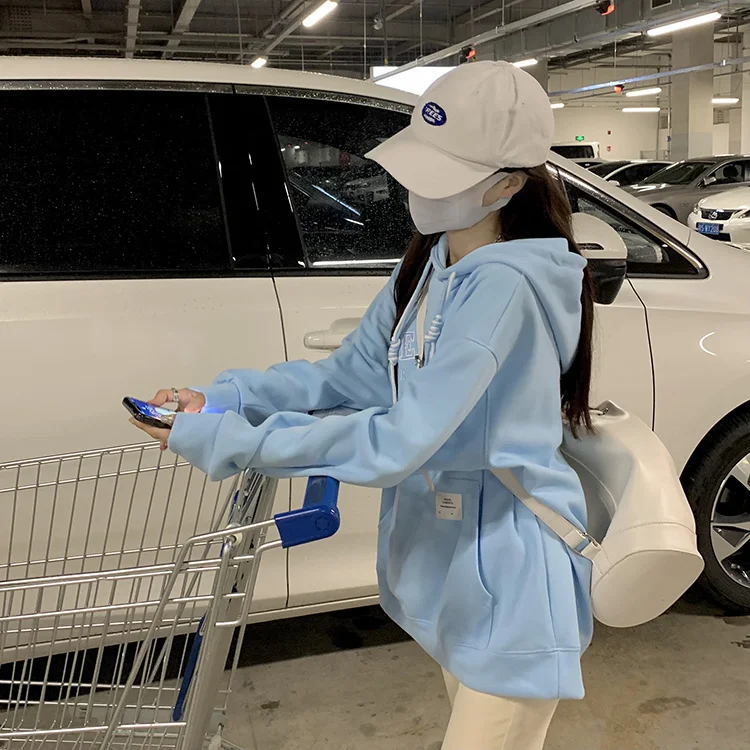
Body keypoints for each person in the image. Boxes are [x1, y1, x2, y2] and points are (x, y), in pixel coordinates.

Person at [131, 60, 594, 750]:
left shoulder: (505, 288)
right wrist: (227, 398)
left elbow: (400, 441)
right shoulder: (436, 262)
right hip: (464, 575)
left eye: (444, 176)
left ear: (507, 185)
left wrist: (231, 439)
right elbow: (346, 376)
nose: (418, 191)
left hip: (511, 584)